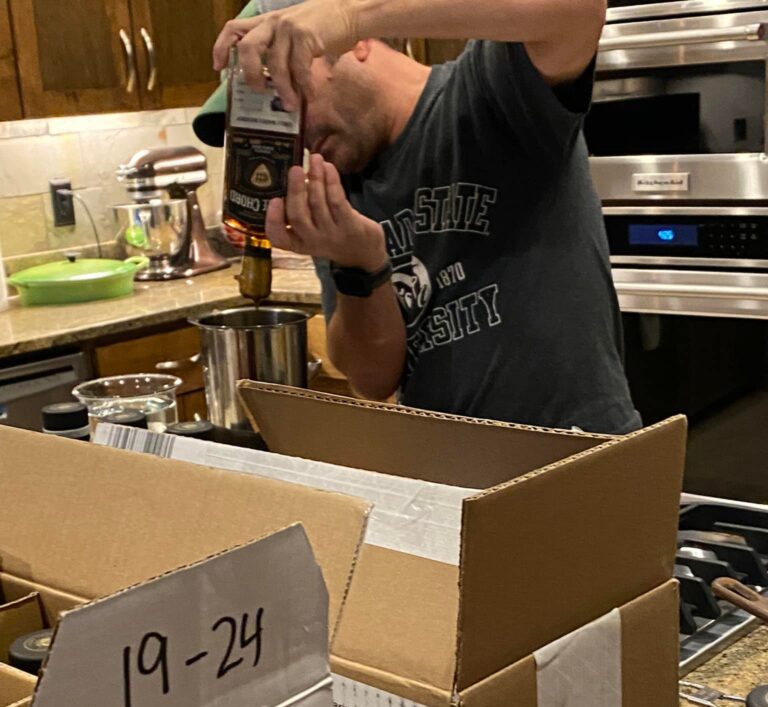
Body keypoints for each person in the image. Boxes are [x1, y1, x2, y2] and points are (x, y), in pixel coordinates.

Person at [213, 0, 642, 434]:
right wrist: (361, 265)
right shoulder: (339, 184)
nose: (295, 134)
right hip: (445, 475)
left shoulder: (489, 90)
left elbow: (579, 9)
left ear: (353, 45)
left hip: (577, 454)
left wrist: (350, 13)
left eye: (286, 90)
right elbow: (373, 378)